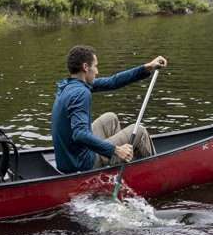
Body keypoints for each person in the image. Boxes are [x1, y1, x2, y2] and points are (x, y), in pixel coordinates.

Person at [51, 45, 167, 174]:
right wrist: (116, 150)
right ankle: (154, 174)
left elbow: (113, 81)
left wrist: (148, 67)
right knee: (140, 131)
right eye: (95, 66)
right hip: (81, 163)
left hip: (68, 158)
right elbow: (80, 134)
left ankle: (122, 166)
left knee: (110, 118)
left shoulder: (69, 85)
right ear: (85, 67)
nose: (97, 71)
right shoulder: (81, 93)